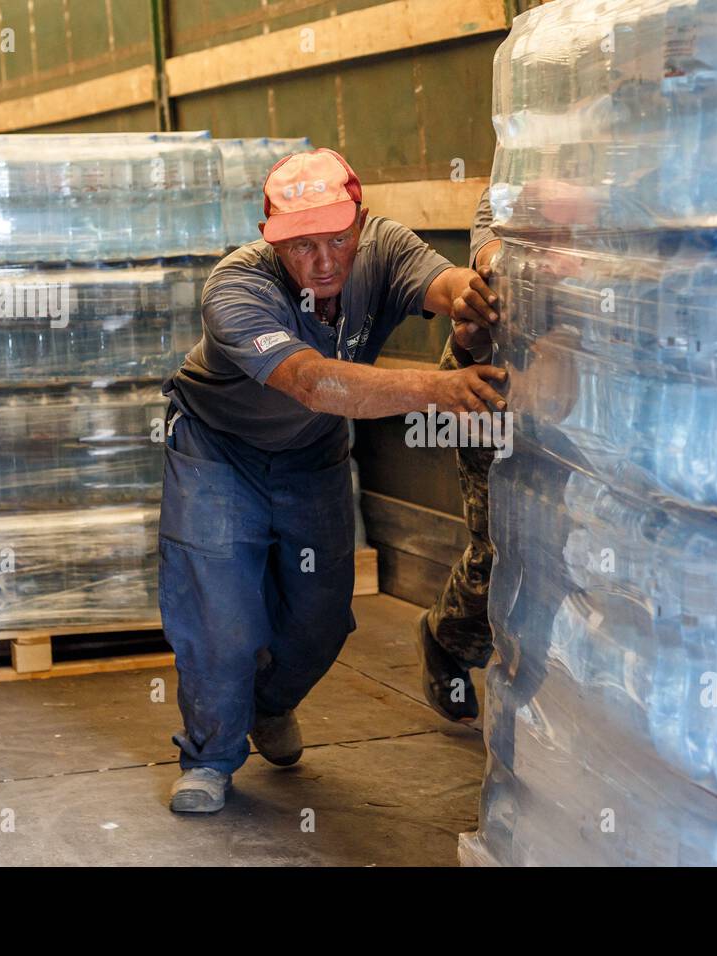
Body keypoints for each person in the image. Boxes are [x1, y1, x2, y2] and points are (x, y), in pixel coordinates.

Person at [159, 148, 505, 813]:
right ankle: (210, 755)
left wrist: (476, 289)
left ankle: (270, 704)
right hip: (217, 453)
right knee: (220, 620)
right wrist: (437, 389)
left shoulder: (385, 248)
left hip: (310, 456)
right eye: (300, 245)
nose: (320, 259)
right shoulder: (236, 287)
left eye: (335, 239)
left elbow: (443, 284)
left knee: (320, 617)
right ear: (272, 242)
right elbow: (313, 382)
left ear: (361, 223)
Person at [417, 187, 501, 722]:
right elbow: (491, 220)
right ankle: (445, 639)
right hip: (488, 376)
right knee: (499, 547)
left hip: (579, 386)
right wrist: (496, 261)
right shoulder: (541, 138)